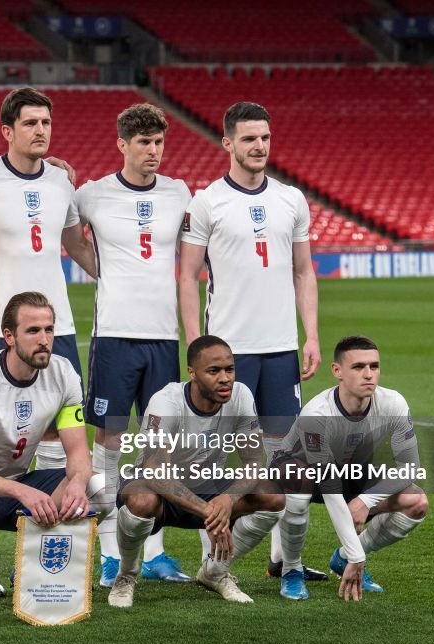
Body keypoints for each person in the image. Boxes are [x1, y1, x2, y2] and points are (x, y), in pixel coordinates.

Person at [0, 87, 96, 597]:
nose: (41, 131)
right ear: (7, 131)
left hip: (58, 330)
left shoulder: (62, 181)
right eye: (30, 123)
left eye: (46, 123)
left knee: (60, 440)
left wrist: (115, 280)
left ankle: (40, 559)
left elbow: (75, 241)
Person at [177, 101, 325, 581]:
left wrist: (311, 335)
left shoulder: (291, 199)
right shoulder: (207, 201)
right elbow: (187, 277)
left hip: (280, 350)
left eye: (264, 137)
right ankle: (214, 560)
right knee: (217, 460)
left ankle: (285, 561)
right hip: (227, 354)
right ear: (228, 143)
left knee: (284, 458)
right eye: (248, 139)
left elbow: (304, 271)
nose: (259, 146)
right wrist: (197, 347)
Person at [0, 291, 113, 619]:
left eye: (49, 330)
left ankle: (31, 569)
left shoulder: (64, 375)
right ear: (9, 336)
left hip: (19, 479)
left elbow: (77, 451)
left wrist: (77, 481)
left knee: (99, 490)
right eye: (33, 331)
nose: (44, 339)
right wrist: (23, 491)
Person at [77, 103, 193, 588]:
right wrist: (102, 270)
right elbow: (69, 238)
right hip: (115, 337)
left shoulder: (178, 192)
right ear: (122, 144)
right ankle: (108, 551)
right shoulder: (93, 194)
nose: (152, 151)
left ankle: (155, 551)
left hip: (164, 338)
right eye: (143, 142)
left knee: (158, 447)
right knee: (109, 443)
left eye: (158, 142)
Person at [108, 335, 284, 608]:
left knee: (273, 496)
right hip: (158, 488)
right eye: (214, 371)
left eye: (230, 369)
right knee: (141, 498)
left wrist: (228, 499)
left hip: (208, 487)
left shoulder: (241, 395)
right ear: (192, 373)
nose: (225, 378)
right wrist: (210, 513)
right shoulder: (166, 401)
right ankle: (126, 575)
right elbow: (155, 472)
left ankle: (214, 572)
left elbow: (254, 464)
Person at [273, 335, 427, 601]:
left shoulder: (393, 403)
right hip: (297, 473)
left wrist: (366, 501)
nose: (368, 374)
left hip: (347, 473)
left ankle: (342, 559)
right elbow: (330, 487)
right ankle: (291, 569)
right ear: (337, 371)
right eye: (358, 367)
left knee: (416, 501)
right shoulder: (317, 415)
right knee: (298, 483)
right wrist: (358, 553)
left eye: (374, 366)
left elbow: (410, 467)